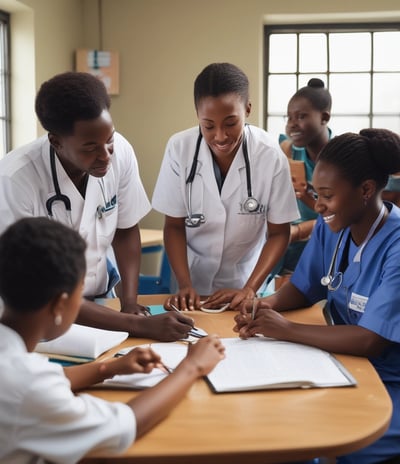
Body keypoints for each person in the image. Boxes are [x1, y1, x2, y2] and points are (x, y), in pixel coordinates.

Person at [234, 128, 400, 464]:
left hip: (388, 383)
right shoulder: (331, 225)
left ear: (366, 190)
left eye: (327, 195)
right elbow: (302, 288)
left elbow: (370, 340)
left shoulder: (396, 245)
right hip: (341, 364)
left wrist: (284, 329)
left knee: (321, 441)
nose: (317, 205)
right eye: (315, 193)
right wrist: (263, 305)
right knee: (268, 420)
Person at [0, 217, 225, 463]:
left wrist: (109, 368)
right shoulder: (27, 385)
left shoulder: (16, 362)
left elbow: (46, 379)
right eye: (80, 293)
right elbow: (126, 424)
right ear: (60, 305)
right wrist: (192, 367)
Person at [0, 71, 195, 341]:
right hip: (38, 316)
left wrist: (129, 303)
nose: (105, 156)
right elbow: (39, 287)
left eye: (109, 139)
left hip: (103, 300)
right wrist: (134, 325)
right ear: (56, 141)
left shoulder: (121, 152)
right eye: (90, 147)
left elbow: (126, 230)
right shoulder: (15, 179)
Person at [152, 62, 299, 311]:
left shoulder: (269, 155)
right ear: (197, 114)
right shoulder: (179, 149)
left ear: (248, 109)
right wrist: (186, 285)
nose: (220, 136)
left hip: (244, 281)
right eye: (208, 125)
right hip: (190, 283)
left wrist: (250, 288)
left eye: (231, 123)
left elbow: (278, 233)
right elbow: (174, 226)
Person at [272, 78, 332, 283]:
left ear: (324, 117)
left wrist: (298, 231)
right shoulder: (286, 151)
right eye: (289, 117)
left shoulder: (344, 158)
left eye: (301, 116)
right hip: (286, 252)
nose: (292, 124)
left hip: (325, 251)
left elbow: (344, 217)